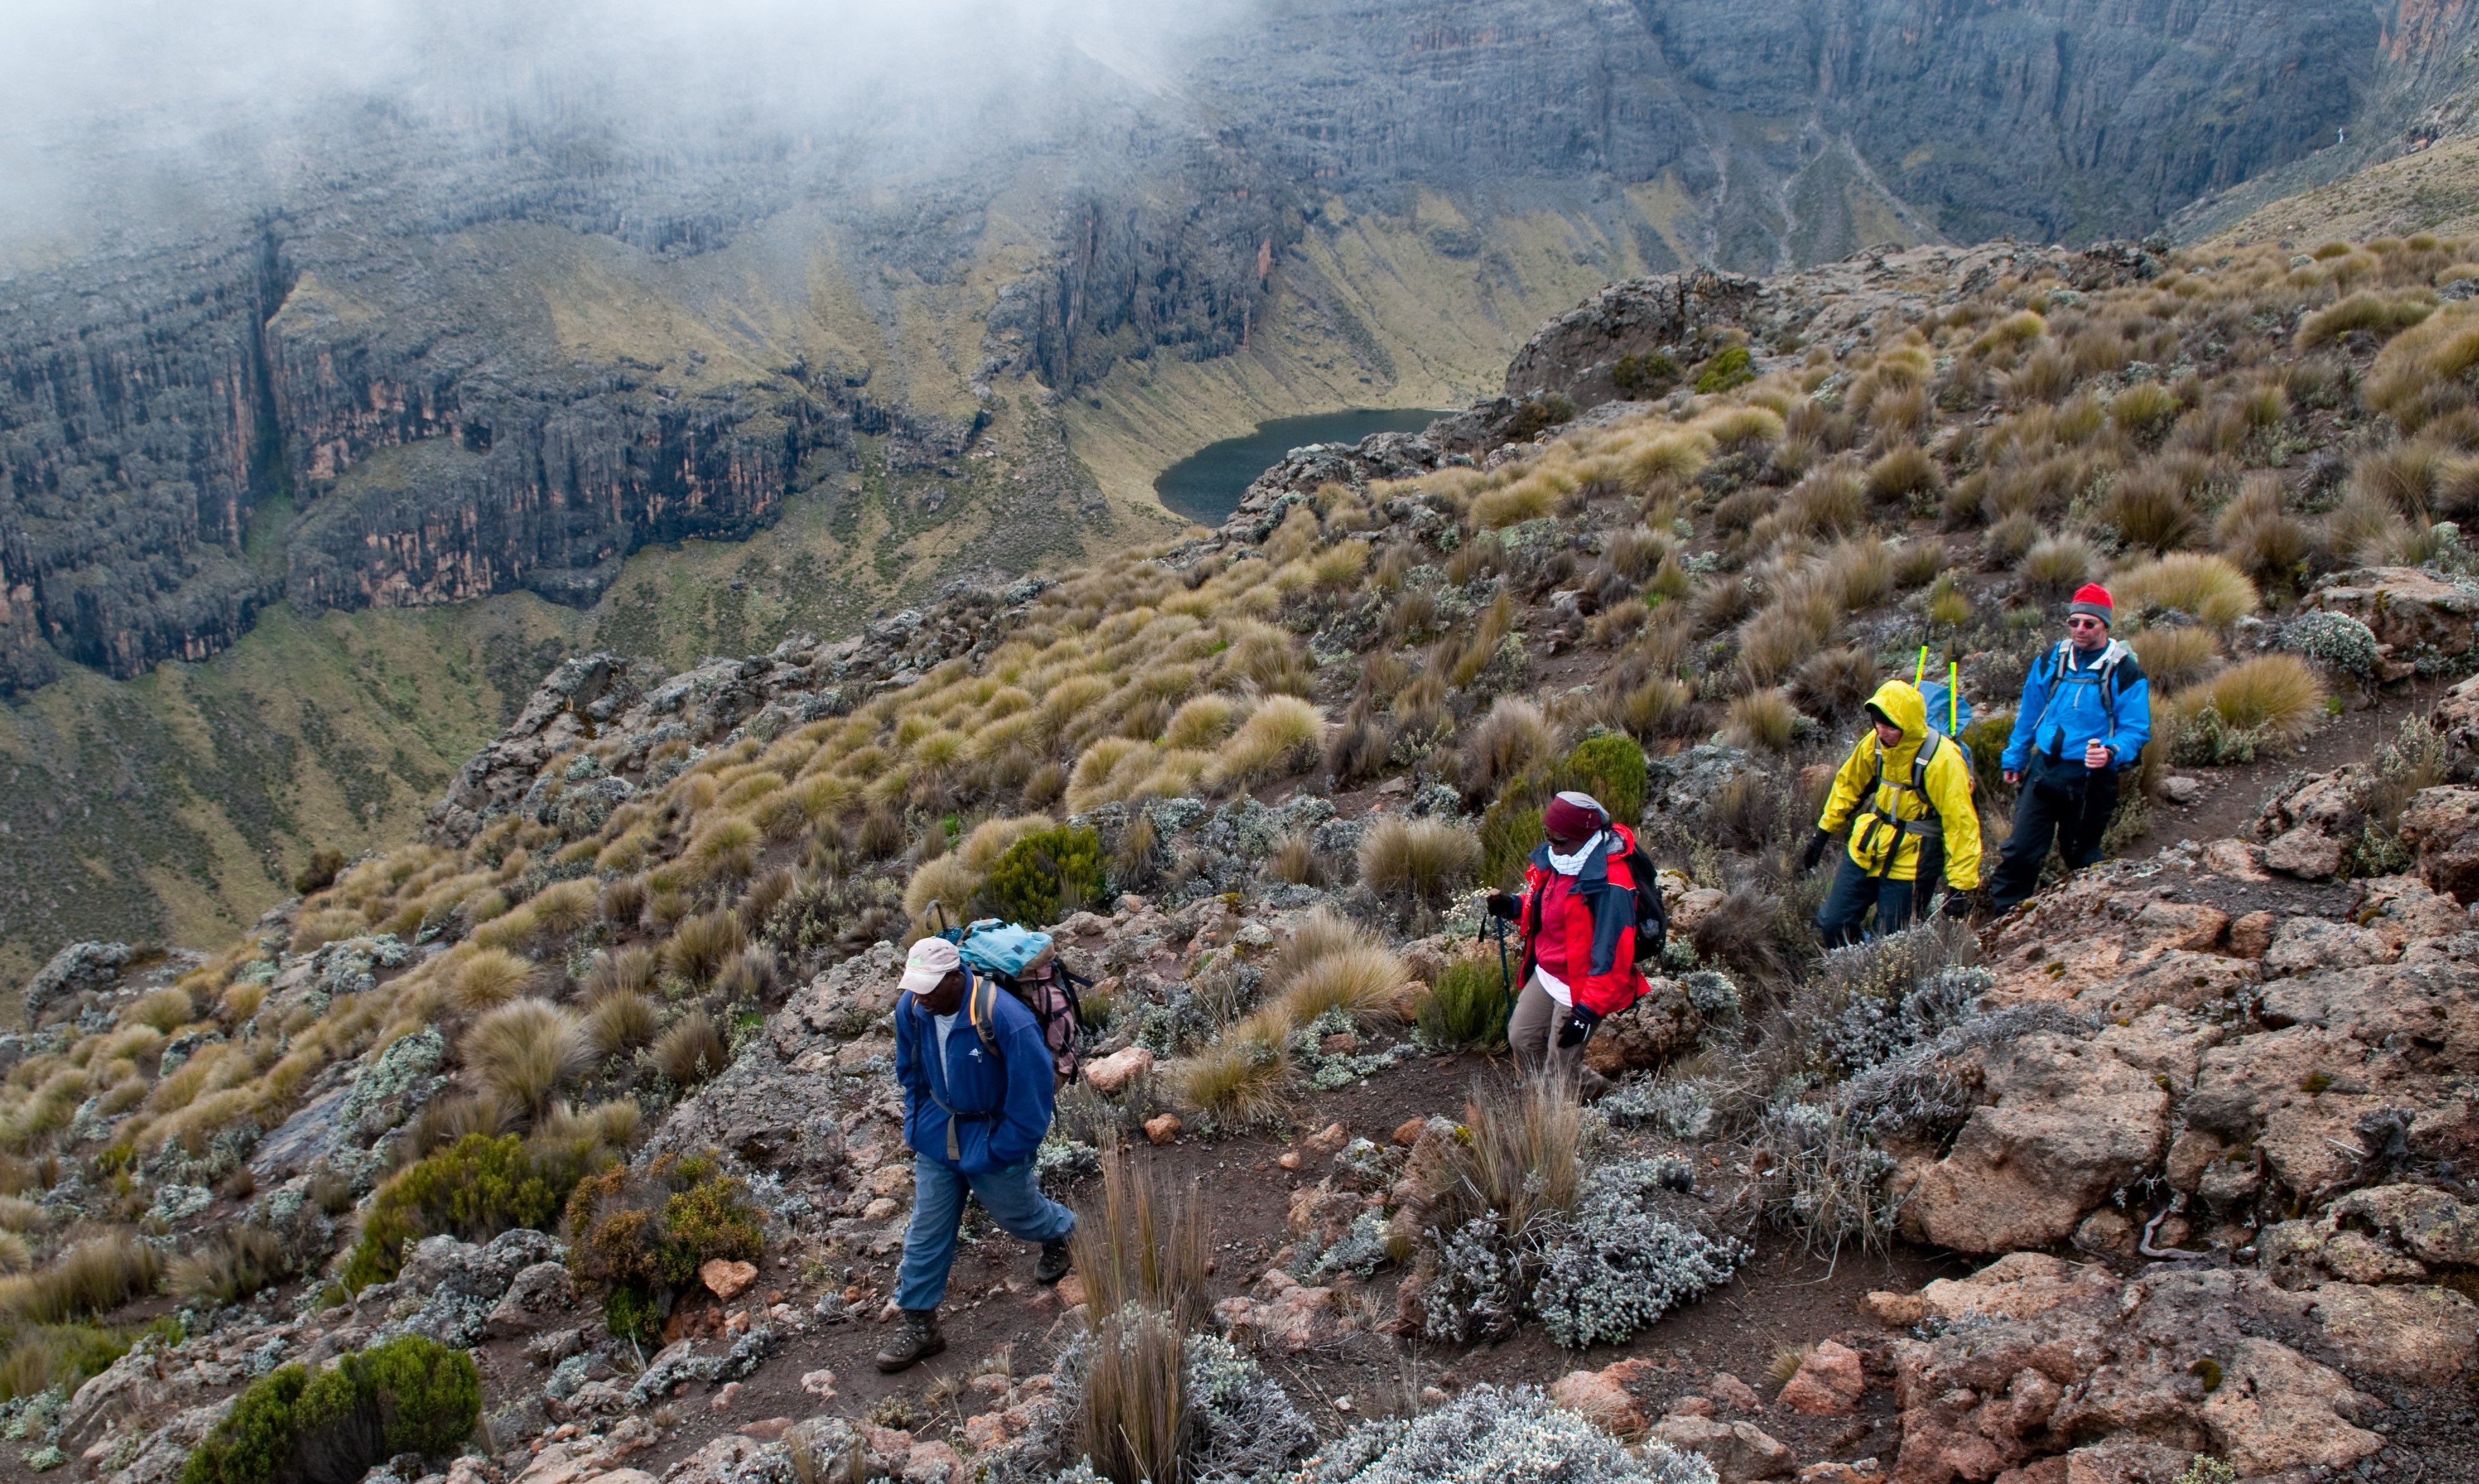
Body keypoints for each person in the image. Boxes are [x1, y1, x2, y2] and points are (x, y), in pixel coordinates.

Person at [877, 936, 1076, 1372]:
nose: (921, 996)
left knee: (1019, 1217)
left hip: (993, 1137)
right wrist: (920, 1124)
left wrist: (1003, 1148)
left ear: (956, 977)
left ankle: (1062, 1232)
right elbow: (910, 1074)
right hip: (939, 1137)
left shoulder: (1005, 1017)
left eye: (930, 986)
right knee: (927, 1230)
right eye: (915, 986)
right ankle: (920, 1324)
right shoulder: (912, 1009)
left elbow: (1033, 1096)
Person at [1987, 583, 2151, 912]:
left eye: (2089, 624)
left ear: (2105, 626)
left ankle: (2090, 917)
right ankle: (2002, 921)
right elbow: (2030, 713)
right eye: (2074, 622)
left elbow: (2136, 729)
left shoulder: (2125, 671)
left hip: (2091, 778)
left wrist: (2111, 751)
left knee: (2080, 854)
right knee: (2020, 851)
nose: (2080, 630)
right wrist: (2016, 757)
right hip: (2044, 769)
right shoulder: (2051, 660)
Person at [1483, 791, 1651, 1097]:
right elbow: (1545, 907)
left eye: (1558, 839)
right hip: (1549, 973)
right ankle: (1541, 1095)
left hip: (1582, 985)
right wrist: (1511, 906)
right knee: (1522, 1038)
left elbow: (1613, 958)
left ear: (1582, 836)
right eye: (1546, 835)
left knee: (1561, 1068)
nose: (1550, 844)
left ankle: (1597, 1100)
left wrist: (1586, 1013)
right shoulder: (1559, 859)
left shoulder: (1611, 884)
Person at [1802, 680, 1983, 946]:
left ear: (1907, 725)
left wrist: (1961, 886)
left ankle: (1871, 975)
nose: (1881, 732)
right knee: (1833, 923)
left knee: (1889, 944)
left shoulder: (1943, 759)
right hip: (1868, 847)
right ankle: (1852, 966)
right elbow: (1848, 786)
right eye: (1877, 724)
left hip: (1914, 861)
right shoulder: (1874, 744)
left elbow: (1961, 823)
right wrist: (1823, 833)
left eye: (1889, 727)